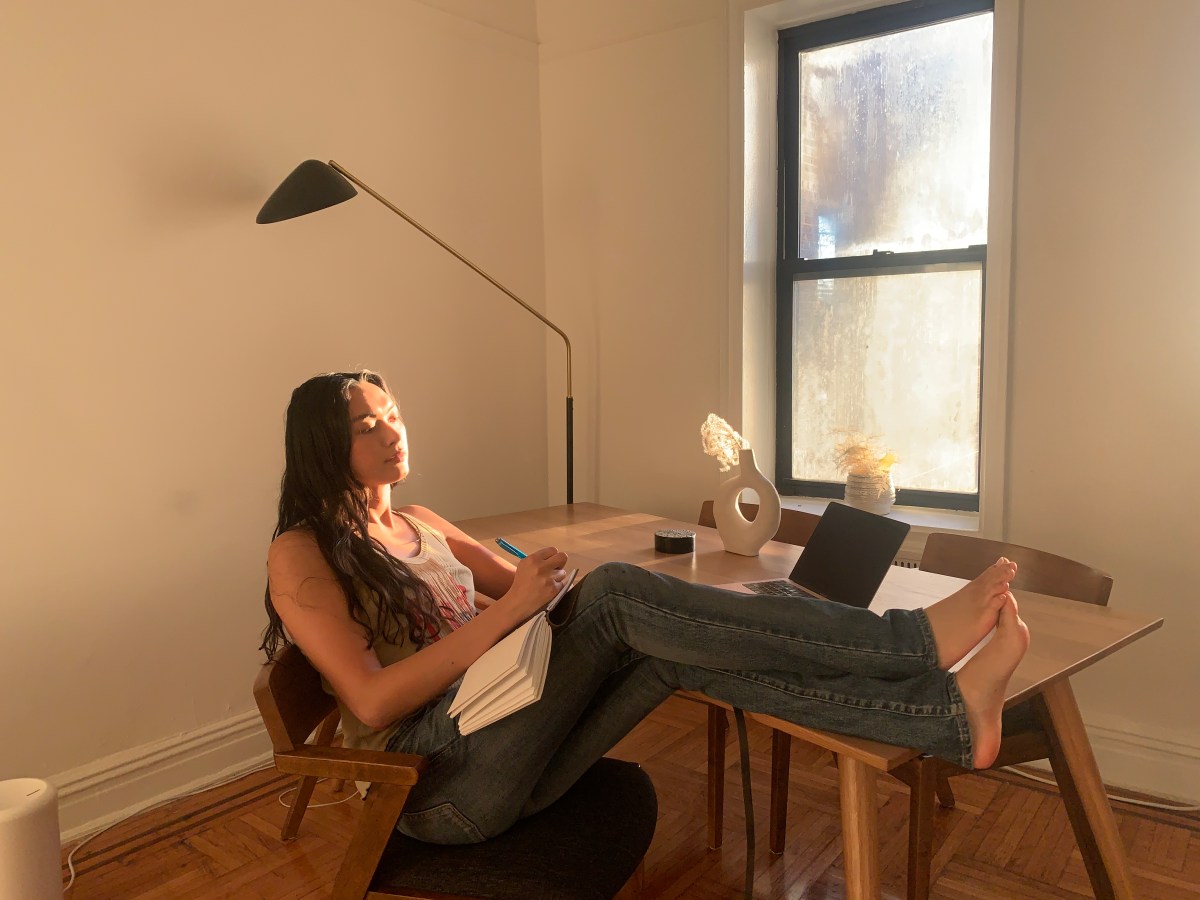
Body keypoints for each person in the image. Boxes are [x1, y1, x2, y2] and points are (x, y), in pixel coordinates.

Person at [262, 370, 1030, 845]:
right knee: (623, 599)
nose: (390, 431)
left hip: (501, 729)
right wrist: (516, 612)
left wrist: (552, 581)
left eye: (392, 412)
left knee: (668, 644)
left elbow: (528, 585)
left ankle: (946, 719)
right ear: (323, 448)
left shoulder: (419, 522)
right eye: (365, 425)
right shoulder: (301, 553)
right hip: (432, 785)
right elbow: (370, 697)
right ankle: (909, 643)